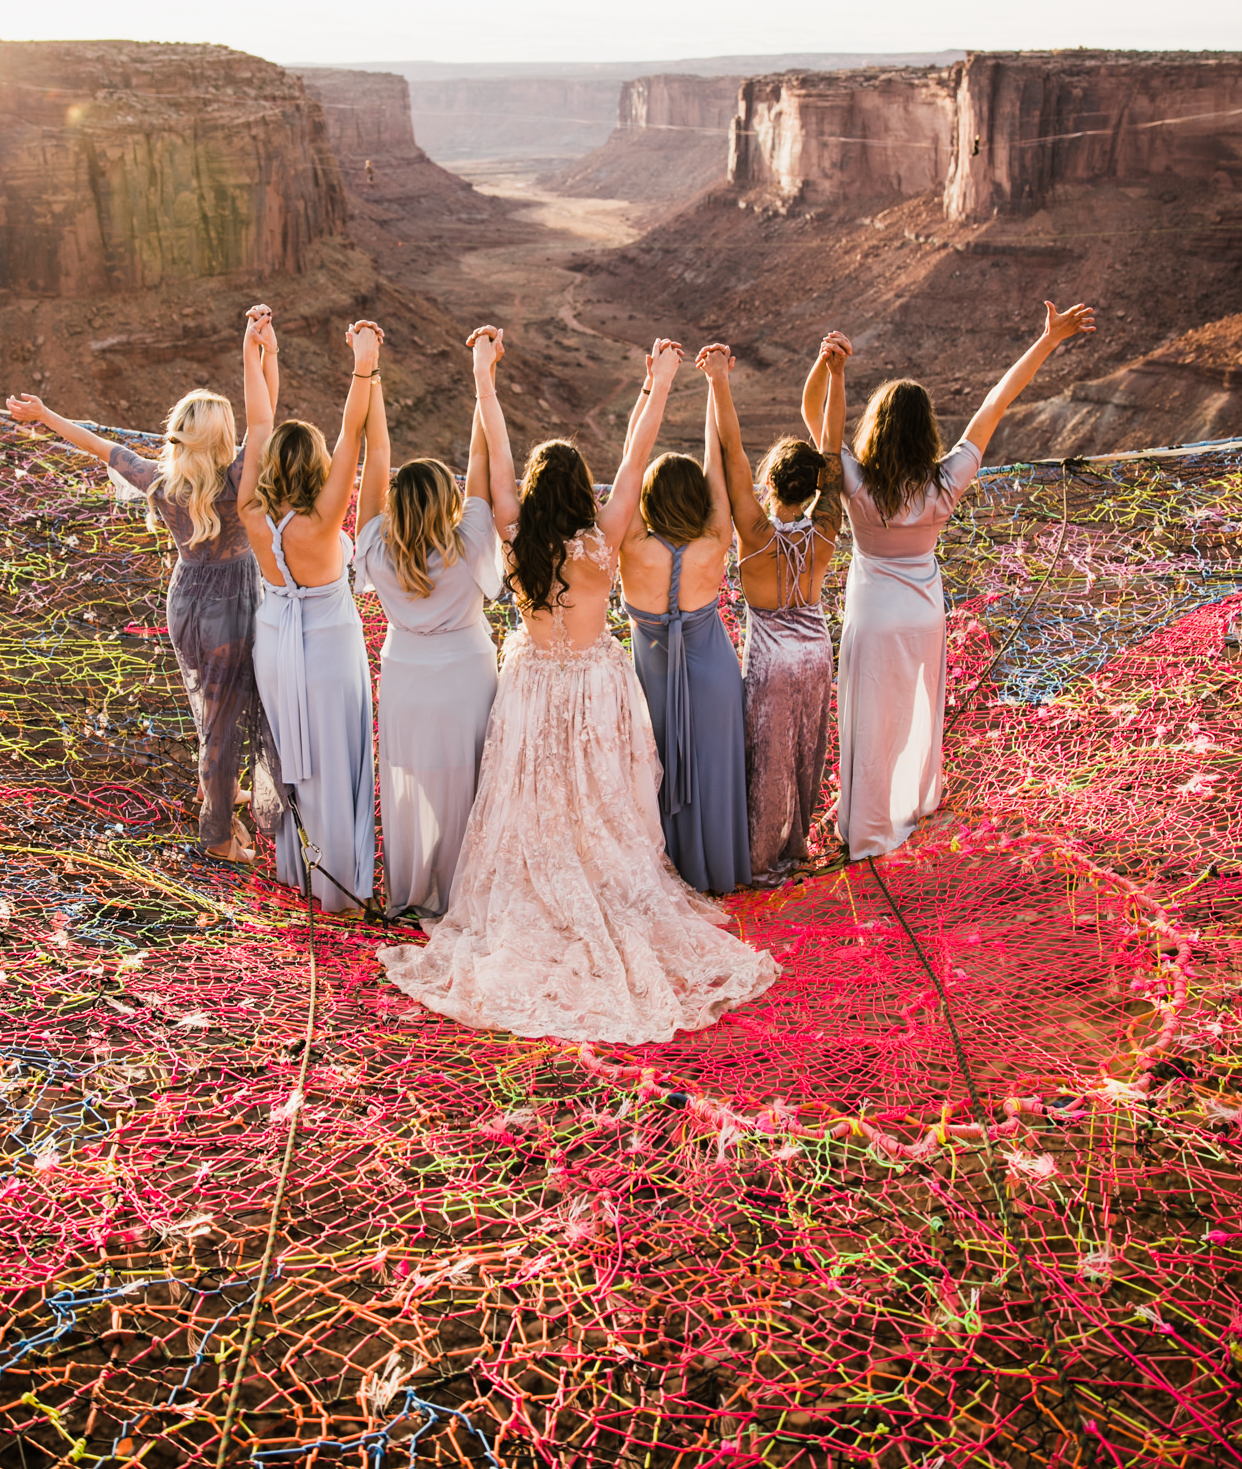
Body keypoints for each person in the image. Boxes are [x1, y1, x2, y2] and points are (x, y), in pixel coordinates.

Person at [379, 329, 778, 1045]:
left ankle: (542, 896)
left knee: (535, 797)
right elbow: (634, 455)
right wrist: (657, 379)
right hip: (596, 681)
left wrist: (483, 377)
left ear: (534, 491)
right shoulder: (603, 532)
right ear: (577, 488)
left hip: (532, 682)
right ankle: (602, 883)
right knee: (600, 796)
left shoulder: (513, 531)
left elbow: (495, 455)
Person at [5, 308, 279, 864]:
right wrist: (257, 353)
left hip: (185, 599)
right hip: (231, 605)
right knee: (226, 716)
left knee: (211, 705)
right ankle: (219, 835)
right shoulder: (237, 480)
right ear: (224, 437)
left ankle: (217, 787)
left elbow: (98, 445)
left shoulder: (160, 481)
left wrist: (44, 413)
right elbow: (265, 419)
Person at [827, 299, 1095, 861]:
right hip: (924, 617)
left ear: (875, 428)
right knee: (918, 714)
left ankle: (865, 825)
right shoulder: (947, 481)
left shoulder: (857, 484)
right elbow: (996, 403)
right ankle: (912, 803)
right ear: (927, 432)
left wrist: (835, 373)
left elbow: (827, 442)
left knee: (868, 722)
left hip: (873, 619)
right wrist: (1047, 341)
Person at [354, 334, 504, 918]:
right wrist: (480, 374)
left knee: (412, 784)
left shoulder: (378, 546)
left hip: (406, 675)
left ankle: (414, 889)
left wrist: (370, 376)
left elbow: (376, 457)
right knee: (469, 782)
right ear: (447, 500)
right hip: (467, 673)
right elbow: (481, 464)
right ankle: (468, 891)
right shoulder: (468, 538)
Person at [239, 313, 383, 912]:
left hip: (273, 641)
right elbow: (354, 433)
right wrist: (364, 363)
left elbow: (257, 422)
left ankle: (296, 874)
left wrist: (258, 355)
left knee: (290, 756)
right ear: (316, 463)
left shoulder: (251, 508)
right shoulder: (323, 521)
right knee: (334, 756)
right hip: (325, 644)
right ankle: (339, 885)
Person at [700, 334, 848, 877]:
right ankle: (795, 845)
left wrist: (719, 381)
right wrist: (836, 374)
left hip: (772, 661)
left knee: (768, 760)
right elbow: (831, 448)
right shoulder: (827, 526)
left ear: (768, 483)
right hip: (815, 653)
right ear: (813, 489)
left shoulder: (756, 534)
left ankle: (760, 858)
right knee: (806, 752)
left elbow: (732, 451)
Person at [618, 343, 750, 895]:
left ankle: (662, 880)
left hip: (649, 683)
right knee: (716, 778)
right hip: (714, 675)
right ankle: (717, 874)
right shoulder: (716, 539)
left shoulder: (629, 543)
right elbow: (717, 460)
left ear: (644, 499)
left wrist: (655, 385)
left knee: (652, 778)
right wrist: (715, 383)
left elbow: (631, 457)